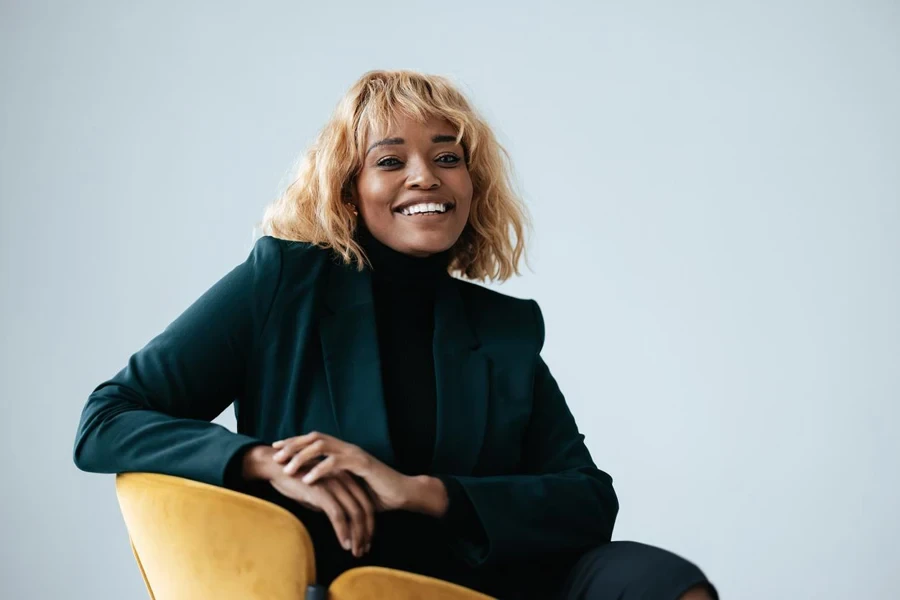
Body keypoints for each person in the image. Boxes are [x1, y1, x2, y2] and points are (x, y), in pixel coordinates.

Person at [73, 69, 718, 600]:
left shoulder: (502, 328)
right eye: (391, 160)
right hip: (345, 577)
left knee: (663, 585)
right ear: (350, 191)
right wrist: (263, 463)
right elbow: (107, 419)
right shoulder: (282, 286)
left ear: (472, 186)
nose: (425, 177)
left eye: (447, 158)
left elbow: (588, 499)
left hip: (494, 581)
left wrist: (422, 492)